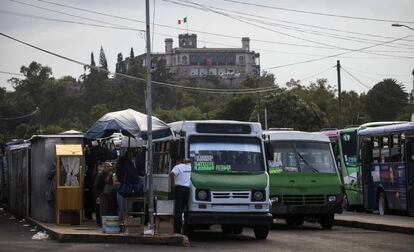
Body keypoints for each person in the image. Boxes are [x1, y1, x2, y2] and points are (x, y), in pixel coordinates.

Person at [114, 149, 144, 224]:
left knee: (123, 210)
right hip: (127, 192)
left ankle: (122, 224)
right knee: (127, 210)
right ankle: (125, 224)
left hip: (123, 192)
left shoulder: (123, 166)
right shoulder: (130, 168)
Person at [170, 158, 192, 234]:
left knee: (178, 210)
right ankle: (186, 229)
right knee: (186, 209)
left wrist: (173, 186)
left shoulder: (178, 167)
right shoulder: (191, 167)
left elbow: (172, 174)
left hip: (179, 189)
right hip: (187, 190)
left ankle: (177, 230)